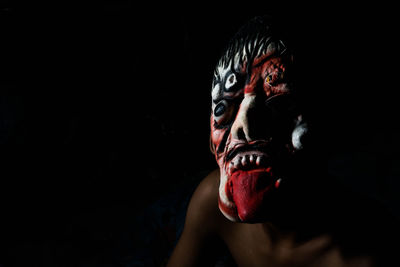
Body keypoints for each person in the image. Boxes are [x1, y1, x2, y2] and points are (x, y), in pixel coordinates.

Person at [166, 16, 399, 267]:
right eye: (224, 108)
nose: (243, 126)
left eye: (278, 104)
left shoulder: (367, 254)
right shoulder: (210, 202)